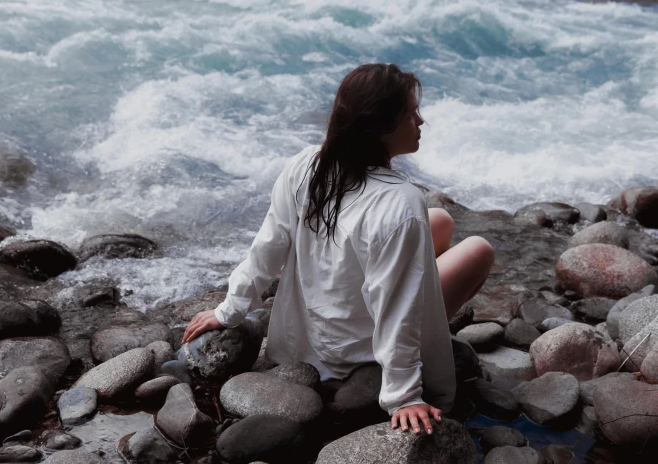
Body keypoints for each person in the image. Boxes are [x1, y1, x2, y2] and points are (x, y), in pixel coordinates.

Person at [182, 63, 494, 437]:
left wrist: (229, 310)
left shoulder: (307, 164)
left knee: (440, 219)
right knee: (478, 249)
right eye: (411, 114)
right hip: (359, 349)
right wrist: (404, 395)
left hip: (303, 338)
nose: (421, 122)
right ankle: (390, 362)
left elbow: (268, 246)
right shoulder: (399, 201)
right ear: (381, 127)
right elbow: (396, 306)